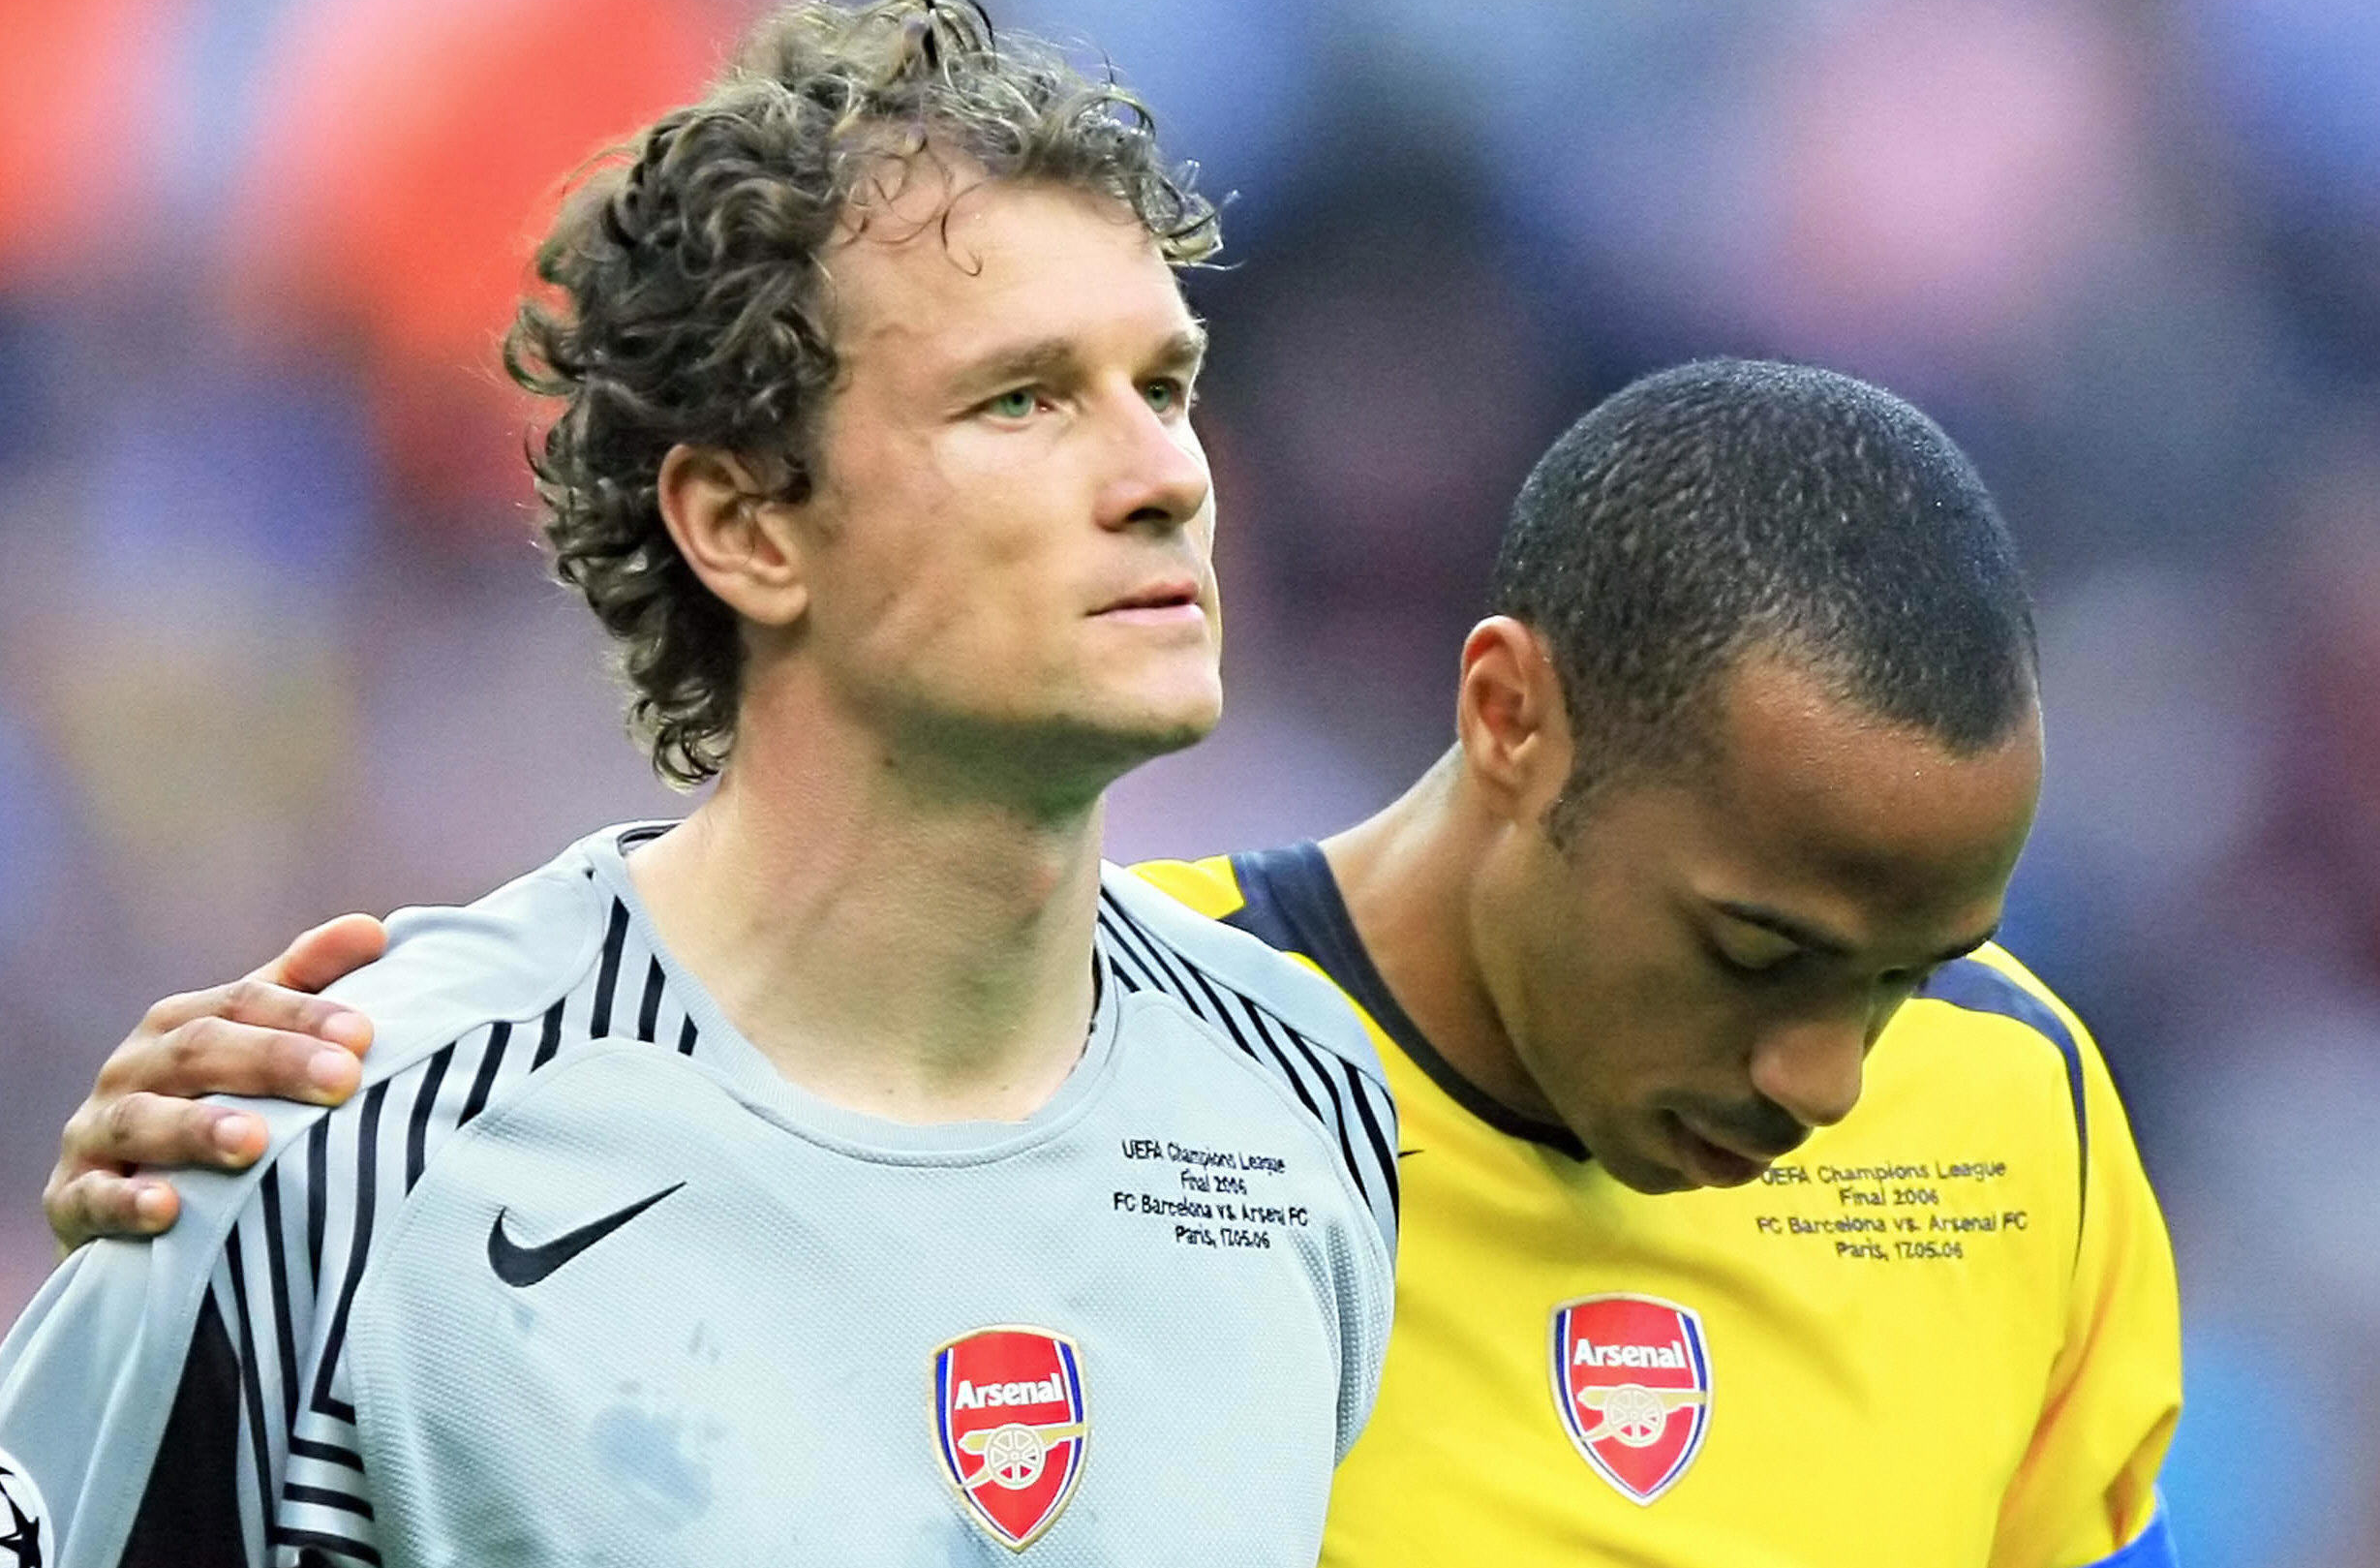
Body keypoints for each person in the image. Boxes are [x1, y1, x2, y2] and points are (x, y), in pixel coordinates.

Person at [40, 358, 2184, 1565]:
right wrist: (296, 1137)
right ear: (1509, 717)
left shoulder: (2018, 1114)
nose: (1825, 1069)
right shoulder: (1081, 1072)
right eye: (1757, 953)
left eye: (1903, 975)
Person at [0, 0, 1401, 1568]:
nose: (1166, 476)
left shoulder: (1302, 1098)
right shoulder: (342, 1146)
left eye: (1165, 385)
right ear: (745, 525)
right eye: (1021, 398)